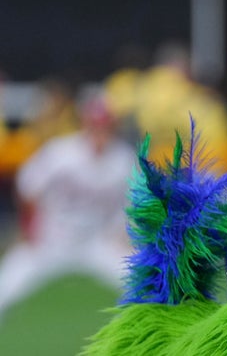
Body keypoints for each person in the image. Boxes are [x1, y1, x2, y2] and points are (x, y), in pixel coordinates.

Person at [0, 90, 135, 323]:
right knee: (7, 284)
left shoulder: (123, 159)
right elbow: (27, 186)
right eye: (95, 125)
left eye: (105, 126)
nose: (100, 132)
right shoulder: (61, 152)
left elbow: (134, 205)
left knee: (145, 284)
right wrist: (29, 226)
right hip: (52, 237)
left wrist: (123, 233)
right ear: (85, 124)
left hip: (97, 241)